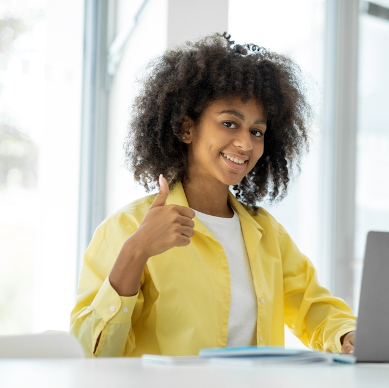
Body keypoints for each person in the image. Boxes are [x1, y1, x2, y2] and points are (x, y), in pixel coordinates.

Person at [70, 33, 356, 357]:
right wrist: (136, 251)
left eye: (256, 131)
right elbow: (87, 354)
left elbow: (312, 305)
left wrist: (346, 334)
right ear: (187, 128)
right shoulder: (127, 228)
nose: (245, 144)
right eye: (230, 123)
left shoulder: (266, 234)